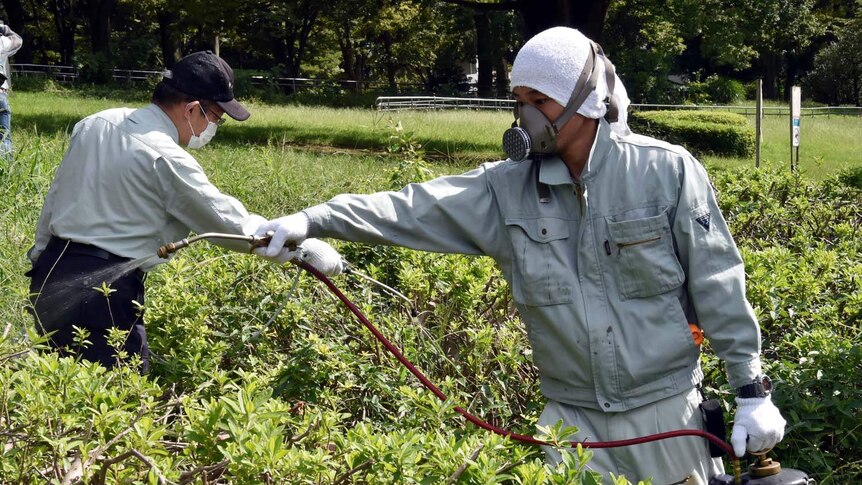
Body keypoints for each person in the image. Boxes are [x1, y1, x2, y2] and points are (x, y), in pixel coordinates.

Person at [254, 28, 786, 484]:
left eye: (541, 101)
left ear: (587, 101)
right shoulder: (505, 190)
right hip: (570, 424)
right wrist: (313, 218)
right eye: (520, 99)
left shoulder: (665, 172)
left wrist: (750, 390)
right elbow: (409, 207)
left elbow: (717, 280)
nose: (526, 114)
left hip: (666, 414)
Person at [26, 50, 342, 373]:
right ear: (193, 109)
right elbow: (229, 223)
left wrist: (38, 257)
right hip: (103, 295)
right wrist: (298, 247)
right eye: (216, 118)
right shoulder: (164, 157)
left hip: (50, 273)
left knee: (57, 387)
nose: (213, 128)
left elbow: (55, 197)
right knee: (118, 396)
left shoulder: (95, 123)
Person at [0, 20, 23, 159]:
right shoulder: (2, 42)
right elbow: (18, 40)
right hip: (0, 94)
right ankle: (6, 172)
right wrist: (3, 28)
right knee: (4, 138)